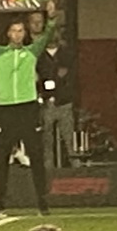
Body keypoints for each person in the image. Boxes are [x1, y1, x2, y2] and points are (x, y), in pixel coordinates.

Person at [0, 0, 56, 215]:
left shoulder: (32, 51)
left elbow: (48, 34)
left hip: (28, 108)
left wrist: (52, 16)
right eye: (14, 31)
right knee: (1, 158)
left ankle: (42, 202)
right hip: (6, 110)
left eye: (21, 31)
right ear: (8, 34)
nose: (18, 35)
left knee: (36, 156)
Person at [37, 28, 76, 169]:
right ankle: (48, 168)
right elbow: (37, 78)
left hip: (64, 101)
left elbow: (72, 77)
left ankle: (75, 164)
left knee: (69, 136)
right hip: (46, 102)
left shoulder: (67, 55)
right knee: (46, 138)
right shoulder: (38, 57)